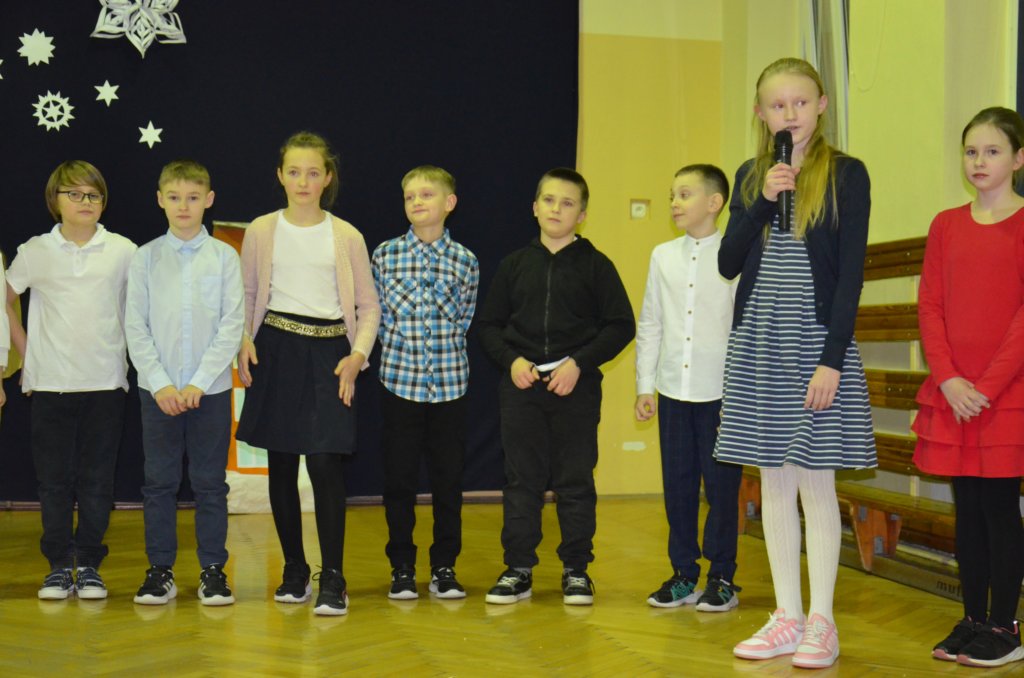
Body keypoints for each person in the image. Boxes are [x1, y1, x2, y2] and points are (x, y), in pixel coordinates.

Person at [715, 58, 876, 669]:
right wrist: (762, 200)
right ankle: (787, 615)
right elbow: (728, 261)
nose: (790, 114)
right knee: (774, 480)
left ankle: (822, 621)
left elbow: (850, 274)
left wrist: (832, 359)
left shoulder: (846, 174)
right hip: (760, 341)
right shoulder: (752, 174)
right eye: (777, 105)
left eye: (800, 103)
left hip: (815, 343)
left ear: (822, 105)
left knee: (814, 478)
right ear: (761, 114)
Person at [235, 132, 381, 616]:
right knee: (281, 462)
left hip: (330, 355)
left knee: (324, 463)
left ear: (327, 177)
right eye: (294, 172)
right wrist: (244, 339)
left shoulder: (347, 235)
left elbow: (368, 306)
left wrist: (357, 355)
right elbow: (247, 294)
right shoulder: (261, 230)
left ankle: (333, 575)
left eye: (313, 172)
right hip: (277, 349)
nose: (303, 181)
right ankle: (294, 569)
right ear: (280, 176)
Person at [478, 167, 635, 606]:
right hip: (521, 388)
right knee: (521, 480)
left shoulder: (597, 266)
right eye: (548, 200)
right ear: (534, 207)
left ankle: (576, 570)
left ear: (581, 214)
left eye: (567, 204)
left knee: (575, 480)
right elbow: (488, 326)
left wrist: (578, 364)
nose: (556, 209)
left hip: (576, 389)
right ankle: (518, 568)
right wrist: (512, 361)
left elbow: (621, 325)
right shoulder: (513, 266)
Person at [914, 107, 1024, 669]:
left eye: (993, 151)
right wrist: (950, 378)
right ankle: (974, 617)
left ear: (1018, 159)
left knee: (1000, 509)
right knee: (968, 510)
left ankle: (1006, 624)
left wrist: (987, 386)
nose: (979, 161)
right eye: (971, 151)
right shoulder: (945, 224)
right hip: (955, 393)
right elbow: (930, 304)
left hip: (1007, 395)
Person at [5, 160, 137, 600]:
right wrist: (28, 352)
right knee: (54, 482)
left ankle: (90, 564)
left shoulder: (123, 250)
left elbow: (141, 309)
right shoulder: (36, 250)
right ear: (55, 200)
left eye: (94, 195)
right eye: (74, 194)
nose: (85, 202)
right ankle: (59, 566)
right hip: (50, 385)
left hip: (105, 383)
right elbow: (6, 297)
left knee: (98, 480)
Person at [126, 160, 244, 606]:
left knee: (210, 482)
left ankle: (213, 570)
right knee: (159, 482)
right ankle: (160, 570)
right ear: (160, 199)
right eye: (174, 197)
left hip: (209, 392)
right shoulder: (145, 257)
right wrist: (160, 384)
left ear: (208, 200)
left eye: (193, 198)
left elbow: (231, 325)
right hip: (157, 392)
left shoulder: (224, 257)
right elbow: (135, 326)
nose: (183, 206)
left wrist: (198, 382)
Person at [635, 164, 741, 611]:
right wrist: (645, 385)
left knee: (721, 490)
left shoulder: (737, 255)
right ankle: (683, 574)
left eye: (684, 194)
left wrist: (740, 390)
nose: (675, 203)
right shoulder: (662, 256)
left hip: (722, 393)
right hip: (673, 390)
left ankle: (722, 577)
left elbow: (742, 328)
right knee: (677, 486)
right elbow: (651, 322)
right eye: (672, 195)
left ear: (714, 202)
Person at [372, 166, 479, 600]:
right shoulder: (385, 255)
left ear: (449, 203)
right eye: (410, 196)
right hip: (400, 384)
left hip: (450, 387)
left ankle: (444, 566)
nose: (417, 202)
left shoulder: (466, 261)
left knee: (448, 482)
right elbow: (377, 317)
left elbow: (465, 318)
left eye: (427, 195)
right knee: (399, 481)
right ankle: (401, 565)